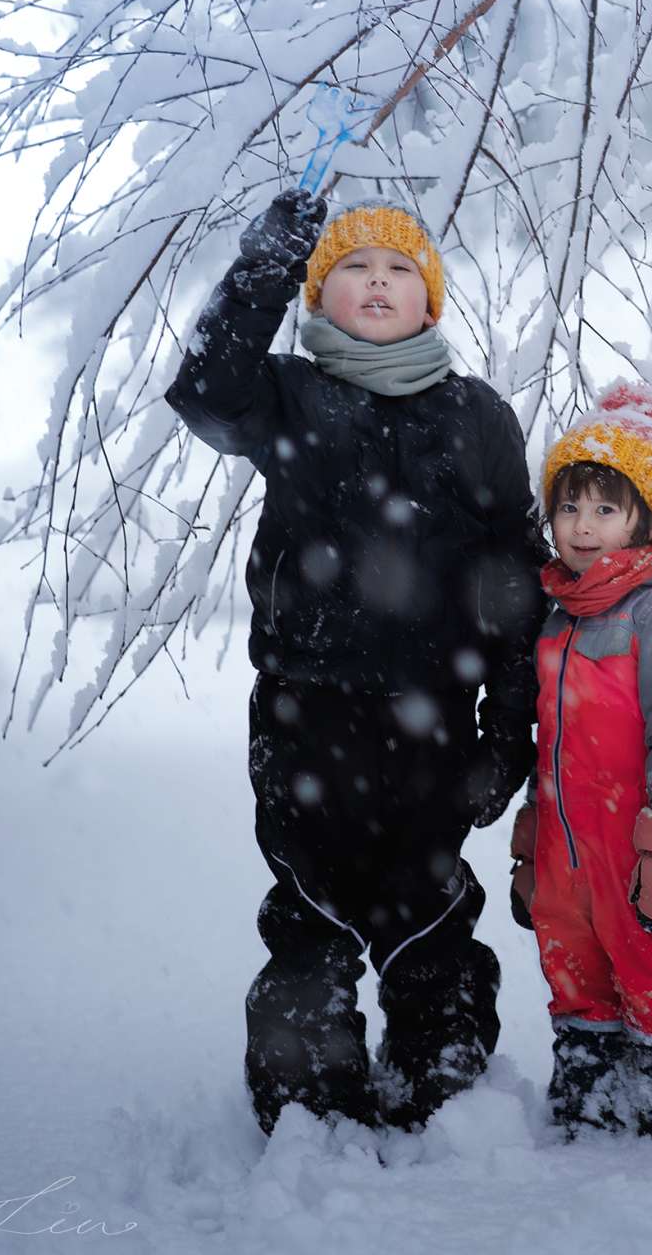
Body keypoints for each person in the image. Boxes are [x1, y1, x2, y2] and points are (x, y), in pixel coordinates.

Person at [166, 189, 546, 1136]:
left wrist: (508, 726)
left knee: (430, 907)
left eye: (399, 269)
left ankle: (442, 1082)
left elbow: (515, 577)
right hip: (309, 712)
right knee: (313, 905)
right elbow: (207, 394)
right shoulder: (290, 393)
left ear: (433, 300)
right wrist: (263, 266)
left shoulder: (477, 415)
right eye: (351, 267)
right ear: (317, 293)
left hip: (436, 717)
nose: (377, 281)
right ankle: (308, 1102)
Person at [510, 380, 652, 1154]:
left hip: (639, 847)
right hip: (570, 852)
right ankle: (592, 1112)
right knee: (574, 972)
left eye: (606, 508)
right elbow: (553, 741)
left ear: (644, 517)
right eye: (570, 506)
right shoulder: (563, 611)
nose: (582, 525)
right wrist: (533, 836)